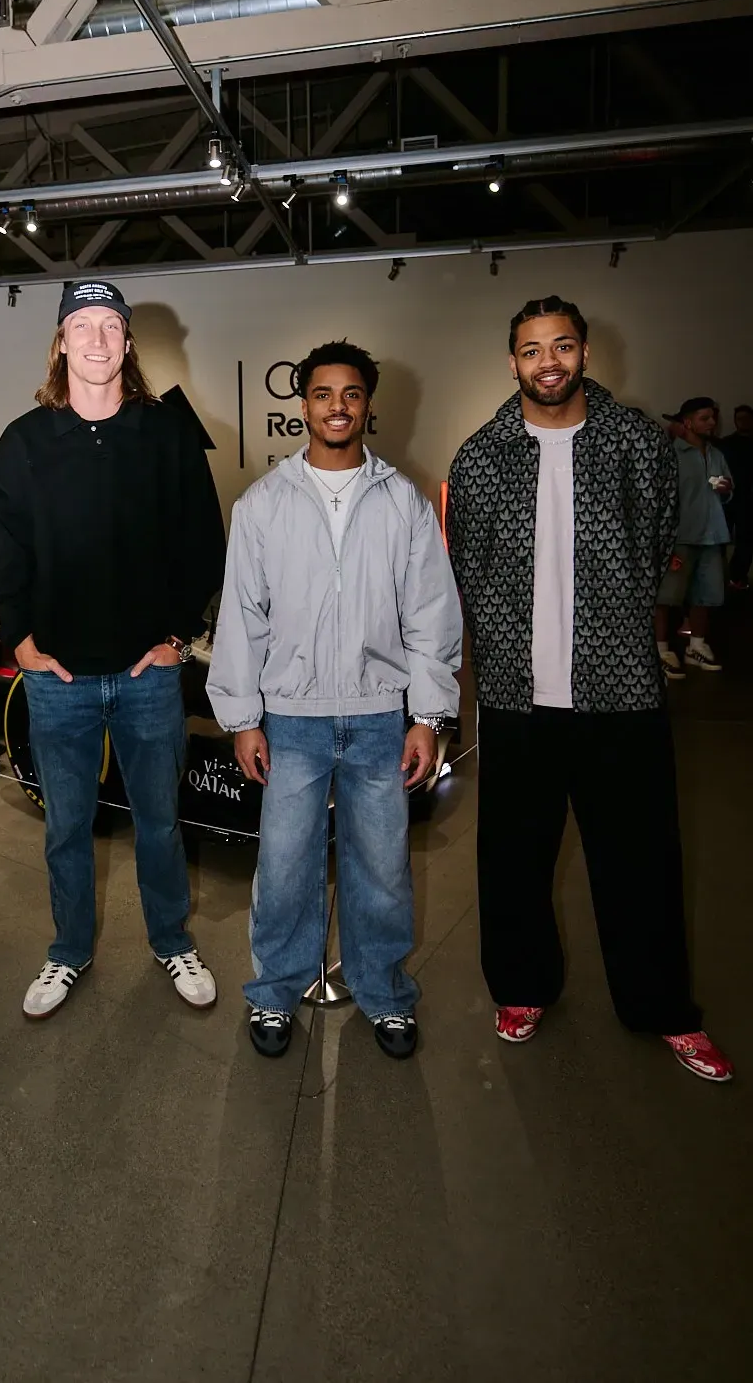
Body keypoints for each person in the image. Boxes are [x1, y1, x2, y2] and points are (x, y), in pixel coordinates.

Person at [448, 297, 732, 1082]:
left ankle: (663, 1010)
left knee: (640, 860)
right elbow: (467, 562)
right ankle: (521, 988)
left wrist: (607, 635)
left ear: (584, 353)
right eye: (532, 349)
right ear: (513, 361)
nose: (548, 361)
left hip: (620, 693)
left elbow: (654, 547)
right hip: (516, 693)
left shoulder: (638, 440)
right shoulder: (481, 456)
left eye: (562, 346)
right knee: (513, 859)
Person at [0, 279, 226, 1019]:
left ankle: (170, 938)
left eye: (108, 326)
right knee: (65, 828)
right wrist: (21, 641)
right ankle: (68, 951)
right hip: (58, 678)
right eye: (79, 325)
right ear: (59, 341)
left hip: (147, 675)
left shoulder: (168, 432)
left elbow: (203, 542)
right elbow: (2, 547)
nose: (94, 339)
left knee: (159, 819)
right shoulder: (25, 441)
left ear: (127, 342)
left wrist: (178, 636)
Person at [207, 341, 461, 1060]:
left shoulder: (403, 501)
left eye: (351, 394)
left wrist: (428, 716)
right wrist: (243, 717)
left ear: (368, 406)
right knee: (283, 869)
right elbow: (242, 617)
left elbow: (430, 616)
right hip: (292, 720)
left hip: (382, 717)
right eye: (323, 394)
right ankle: (273, 995)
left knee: (381, 869)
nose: (338, 407)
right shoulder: (262, 504)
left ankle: (384, 996)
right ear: (303, 407)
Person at [654, 397, 733, 678]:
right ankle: (661, 650)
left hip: (712, 536)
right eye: (704, 418)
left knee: (706, 596)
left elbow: (727, 491)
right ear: (687, 422)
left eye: (713, 418)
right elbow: (660, 500)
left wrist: (726, 490)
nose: (712, 423)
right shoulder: (671, 455)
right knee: (666, 596)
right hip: (680, 538)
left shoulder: (716, 455)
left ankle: (696, 647)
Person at [720, 403, 753, 591]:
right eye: (740, 418)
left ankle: (737, 577)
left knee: (746, 541)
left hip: (748, 501)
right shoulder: (726, 444)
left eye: (747, 418)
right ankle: (721, 577)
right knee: (720, 541)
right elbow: (717, 470)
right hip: (727, 499)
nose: (743, 422)